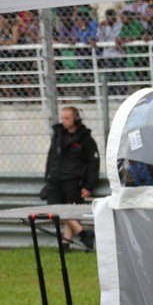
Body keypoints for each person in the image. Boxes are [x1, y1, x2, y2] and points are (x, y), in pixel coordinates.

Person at [43, 105, 99, 251]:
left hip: (74, 180)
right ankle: (83, 232)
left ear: (76, 118)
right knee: (55, 209)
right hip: (56, 178)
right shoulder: (58, 135)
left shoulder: (86, 139)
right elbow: (51, 156)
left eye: (67, 118)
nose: (63, 121)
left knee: (68, 211)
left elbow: (94, 162)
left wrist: (89, 185)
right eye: (62, 118)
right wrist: (48, 175)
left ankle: (65, 244)